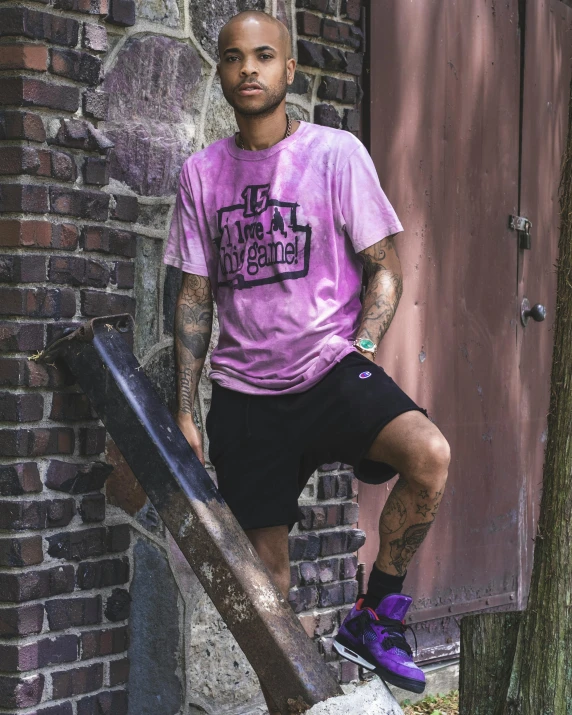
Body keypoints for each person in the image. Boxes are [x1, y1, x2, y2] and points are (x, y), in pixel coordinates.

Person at [164, 9, 450, 711]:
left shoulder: (336, 154)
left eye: (265, 56)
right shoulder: (202, 174)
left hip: (329, 366)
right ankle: (292, 703)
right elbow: (195, 297)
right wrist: (185, 405)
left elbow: (385, 269)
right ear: (223, 72)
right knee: (268, 591)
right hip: (244, 393)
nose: (249, 69)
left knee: (429, 454)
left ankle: (375, 614)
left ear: (289, 69)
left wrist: (363, 343)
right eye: (234, 58)